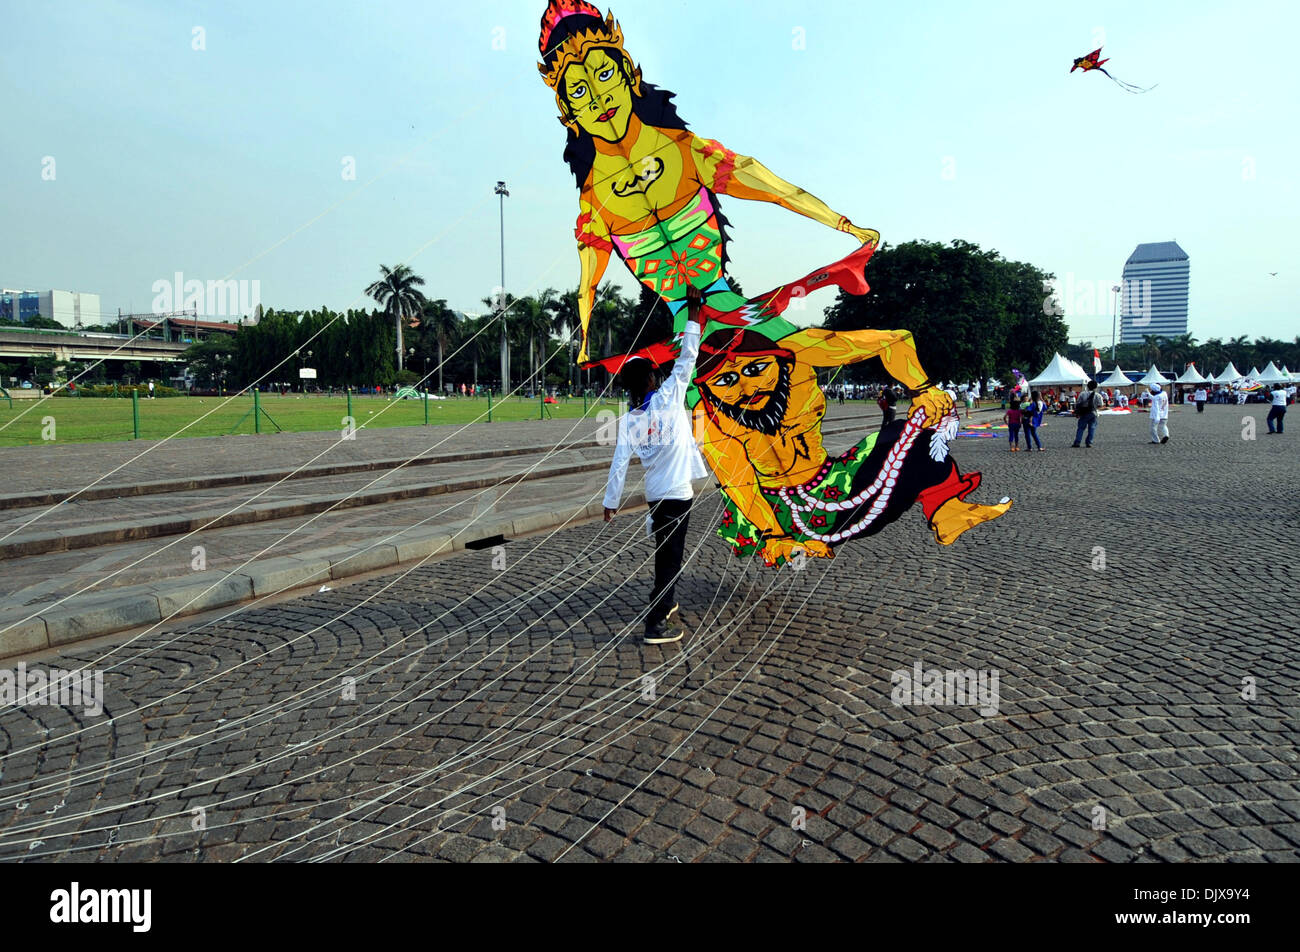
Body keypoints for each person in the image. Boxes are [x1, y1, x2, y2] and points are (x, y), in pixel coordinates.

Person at [603, 287, 709, 645]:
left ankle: (664, 600)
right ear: (650, 380)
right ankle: (656, 624)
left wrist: (611, 502)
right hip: (677, 495)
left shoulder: (630, 419)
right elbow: (688, 357)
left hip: (656, 496)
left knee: (666, 552)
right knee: (670, 558)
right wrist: (694, 312)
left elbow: (619, 462)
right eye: (653, 373)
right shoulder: (668, 396)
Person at [1071, 380, 1100, 448]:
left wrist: (1077, 412)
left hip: (1084, 413)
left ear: (1087, 386)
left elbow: (1078, 403)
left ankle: (1077, 442)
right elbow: (1100, 405)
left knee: (1081, 428)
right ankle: (1089, 442)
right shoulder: (1098, 395)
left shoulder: (1082, 394)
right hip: (1093, 412)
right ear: (1095, 387)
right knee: (1092, 428)